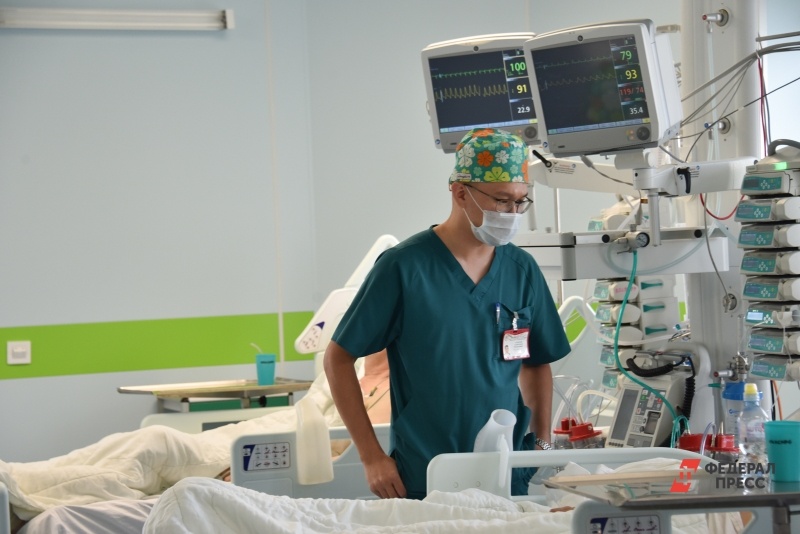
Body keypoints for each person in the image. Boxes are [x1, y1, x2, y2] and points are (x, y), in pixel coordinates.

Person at [324, 127, 572, 500]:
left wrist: (542, 443)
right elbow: (338, 358)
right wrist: (371, 457)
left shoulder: (521, 269)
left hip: (506, 467)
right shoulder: (404, 267)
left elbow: (536, 363)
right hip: (426, 469)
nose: (512, 213)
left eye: (521, 202)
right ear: (460, 192)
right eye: (502, 200)